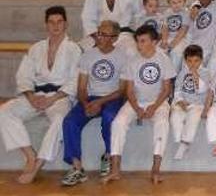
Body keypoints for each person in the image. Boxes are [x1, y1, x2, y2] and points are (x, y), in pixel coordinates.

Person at [0, 6, 81, 185]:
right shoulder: (36, 48)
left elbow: (75, 80)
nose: (55, 26)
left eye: (59, 22)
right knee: (4, 111)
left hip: (59, 97)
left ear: (66, 24)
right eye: (51, 22)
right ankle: (29, 154)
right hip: (36, 96)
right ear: (46, 25)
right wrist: (31, 97)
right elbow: (23, 76)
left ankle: (37, 164)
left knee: (60, 121)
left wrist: (52, 99)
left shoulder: (73, 49)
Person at [104, 25, 173, 185]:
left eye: (143, 41)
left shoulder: (163, 59)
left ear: (154, 42)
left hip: (158, 101)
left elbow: (167, 89)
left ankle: (155, 170)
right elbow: (129, 91)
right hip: (135, 101)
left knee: (162, 123)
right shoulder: (132, 61)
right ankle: (115, 170)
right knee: (117, 123)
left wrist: (154, 107)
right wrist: (137, 109)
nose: (139, 45)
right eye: (137, 41)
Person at [59, 20, 125, 186]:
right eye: (99, 33)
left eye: (104, 34)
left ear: (114, 38)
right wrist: (86, 103)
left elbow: (122, 90)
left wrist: (100, 102)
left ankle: (109, 155)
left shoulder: (123, 57)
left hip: (112, 98)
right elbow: (81, 87)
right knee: (69, 121)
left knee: (110, 118)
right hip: (90, 98)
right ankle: (77, 168)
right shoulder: (88, 55)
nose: (99, 37)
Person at [169, 44, 208, 162]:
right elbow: (178, 89)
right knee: (175, 116)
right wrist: (180, 101)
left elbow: (203, 89)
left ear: (201, 60)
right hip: (183, 102)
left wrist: (196, 76)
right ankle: (179, 139)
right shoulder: (182, 73)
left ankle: (185, 142)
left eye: (196, 61)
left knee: (193, 119)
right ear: (185, 60)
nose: (193, 64)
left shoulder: (205, 72)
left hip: (198, 104)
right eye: (189, 61)